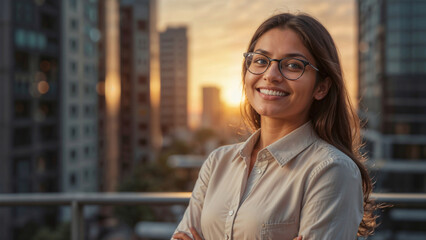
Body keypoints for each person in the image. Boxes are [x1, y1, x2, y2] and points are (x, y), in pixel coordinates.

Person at [172, 12, 376, 240]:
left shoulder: (332, 171)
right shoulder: (218, 162)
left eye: (293, 65)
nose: (271, 75)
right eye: (260, 60)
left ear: (322, 88)